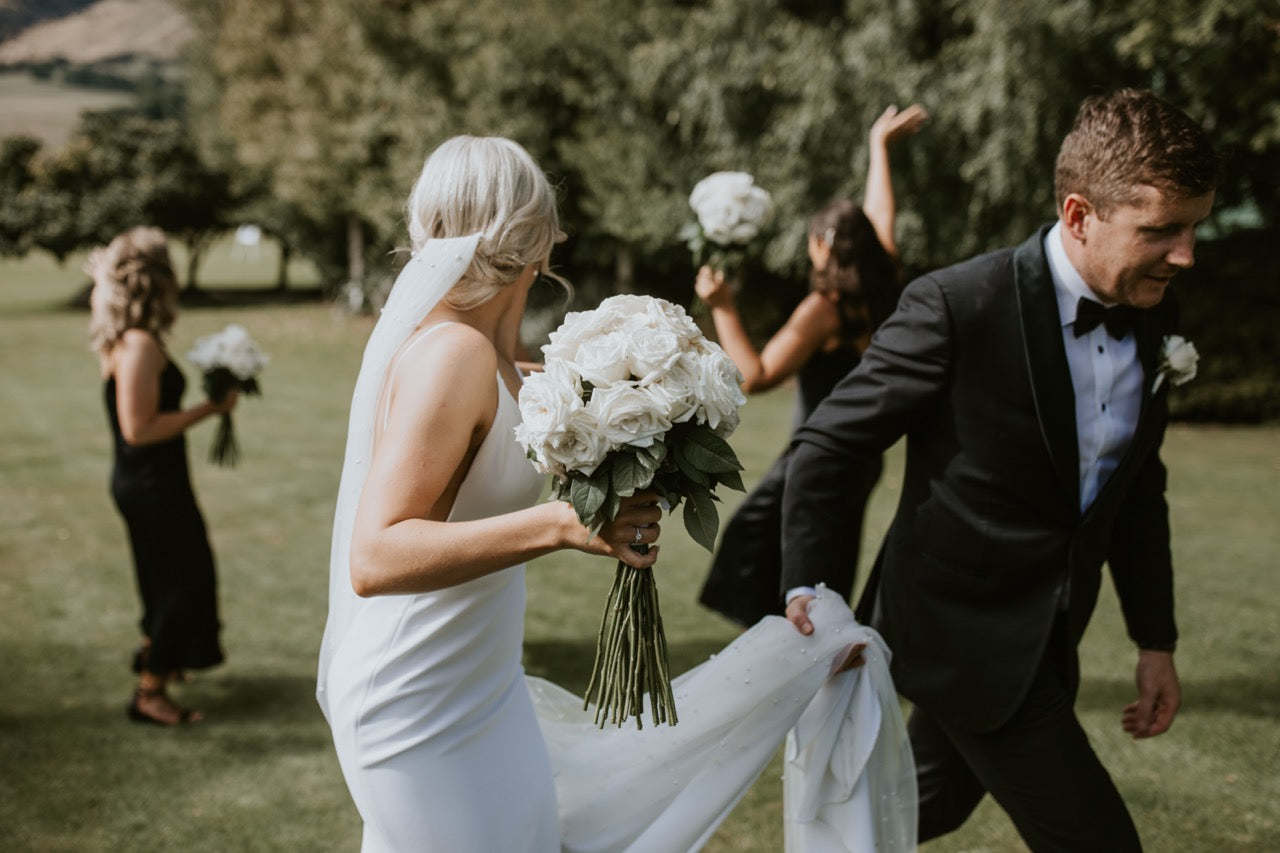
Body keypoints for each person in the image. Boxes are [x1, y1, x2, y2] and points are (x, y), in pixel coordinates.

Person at [316, 135, 917, 852]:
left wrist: (654, 405)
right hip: (415, 699)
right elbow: (375, 553)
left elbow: (569, 431)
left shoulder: (507, 363)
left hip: (484, 687)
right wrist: (561, 525)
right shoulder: (453, 353)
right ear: (536, 242)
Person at [781, 88, 1220, 850]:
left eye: (1193, 229)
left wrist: (1156, 640)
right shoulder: (959, 304)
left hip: (1047, 636)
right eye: (1163, 231)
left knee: (921, 807)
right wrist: (812, 595)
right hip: (957, 631)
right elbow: (829, 443)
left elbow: (1137, 488)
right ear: (1080, 215)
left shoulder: (1156, 309)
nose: (1186, 255)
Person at [696, 104, 927, 627]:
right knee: (828, 568)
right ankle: (811, 651)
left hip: (815, 459)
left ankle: (785, 657)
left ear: (823, 244)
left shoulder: (824, 308)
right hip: (861, 462)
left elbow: (757, 376)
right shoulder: (883, 288)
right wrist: (878, 148)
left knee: (754, 552)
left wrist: (723, 306)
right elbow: (881, 214)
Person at [88, 226, 236, 726]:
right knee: (182, 581)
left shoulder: (126, 337)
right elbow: (140, 429)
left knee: (164, 577)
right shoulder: (139, 344)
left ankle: (160, 656)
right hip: (151, 483)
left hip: (150, 481)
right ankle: (149, 692)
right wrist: (209, 410)